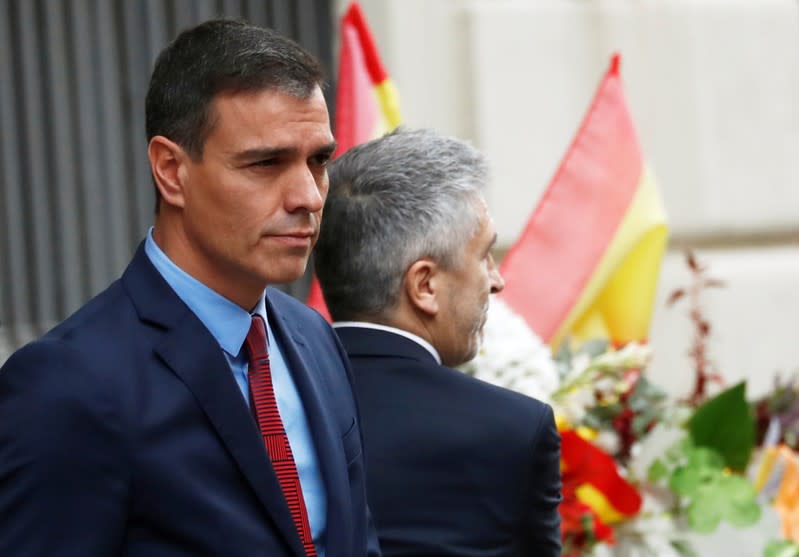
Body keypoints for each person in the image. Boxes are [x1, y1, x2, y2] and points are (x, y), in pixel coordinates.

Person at [0, 19, 379, 557]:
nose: (309, 197)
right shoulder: (68, 383)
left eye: (318, 161)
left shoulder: (313, 337)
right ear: (171, 170)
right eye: (266, 163)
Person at [314, 128, 562, 557]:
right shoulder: (515, 427)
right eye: (484, 255)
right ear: (424, 284)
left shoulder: (269, 407)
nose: (497, 280)